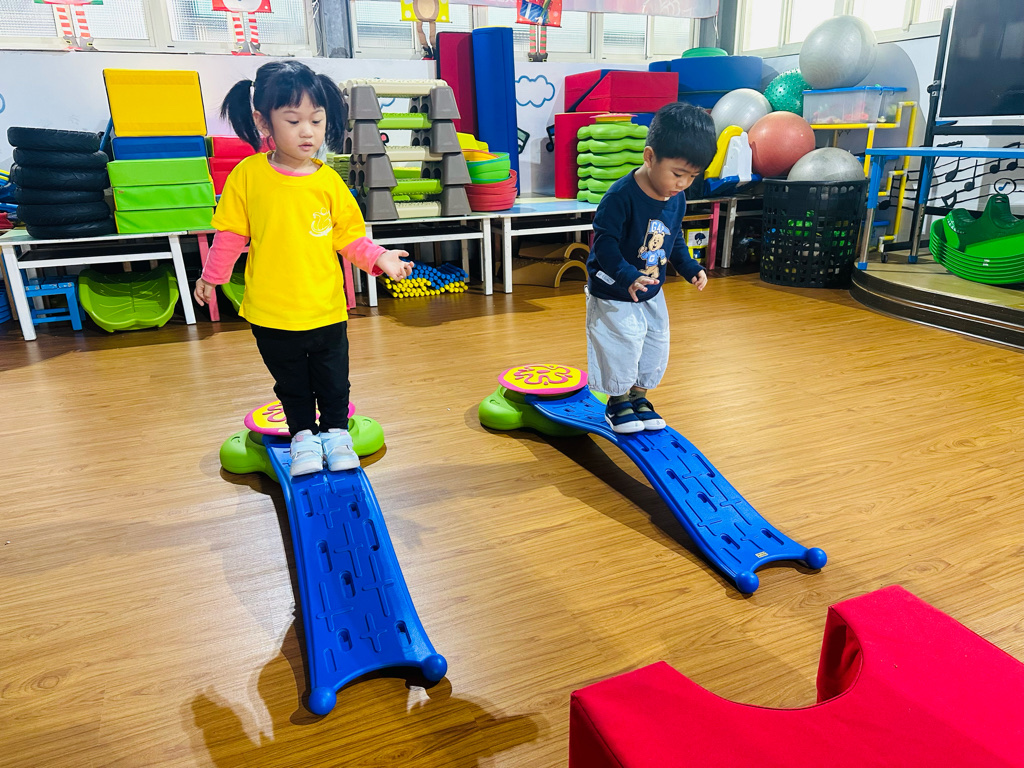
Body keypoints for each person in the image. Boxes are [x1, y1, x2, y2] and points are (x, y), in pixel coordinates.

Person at [193, 61, 413, 476]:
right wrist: (211, 277)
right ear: (264, 121)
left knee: (334, 380)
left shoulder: (329, 181)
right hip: (272, 312)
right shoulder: (247, 176)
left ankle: (335, 433)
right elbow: (230, 235)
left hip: (325, 308)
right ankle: (303, 438)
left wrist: (379, 257)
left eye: (316, 120)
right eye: (293, 121)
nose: (307, 132)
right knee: (291, 384)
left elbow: (349, 237)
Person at [585, 103, 718, 434]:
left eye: (692, 177)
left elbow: (673, 238)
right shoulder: (620, 196)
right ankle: (617, 402)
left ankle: (639, 397)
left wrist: (688, 266)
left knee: (655, 343)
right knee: (621, 343)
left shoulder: (676, 197)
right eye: (677, 173)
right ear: (649, 156)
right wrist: (628, 276)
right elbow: (604, 245)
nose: (683, 183)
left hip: (650, 287)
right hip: (614, 286)